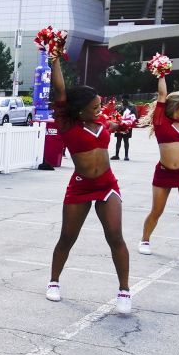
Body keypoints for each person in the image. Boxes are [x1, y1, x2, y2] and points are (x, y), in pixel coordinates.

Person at [43, 55, 131, 312]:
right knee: (67, 237)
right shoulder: (66, 124)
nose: (99, 109)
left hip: (108, 185)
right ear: (79, 109)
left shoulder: (101, 123)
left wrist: (123, 124)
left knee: (115, 235)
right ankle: (54, 282)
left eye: (100, 105)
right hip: (81, 186)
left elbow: (113, 124)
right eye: (94, 107)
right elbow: (59, 90)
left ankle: (124, 290)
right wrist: (55, 60)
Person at [138, 72, 179, 263]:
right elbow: (161, 95)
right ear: (175, 106)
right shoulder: (160, 121)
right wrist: (161, 73)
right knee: (156, 210)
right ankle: (145, 240)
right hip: (164, 172)